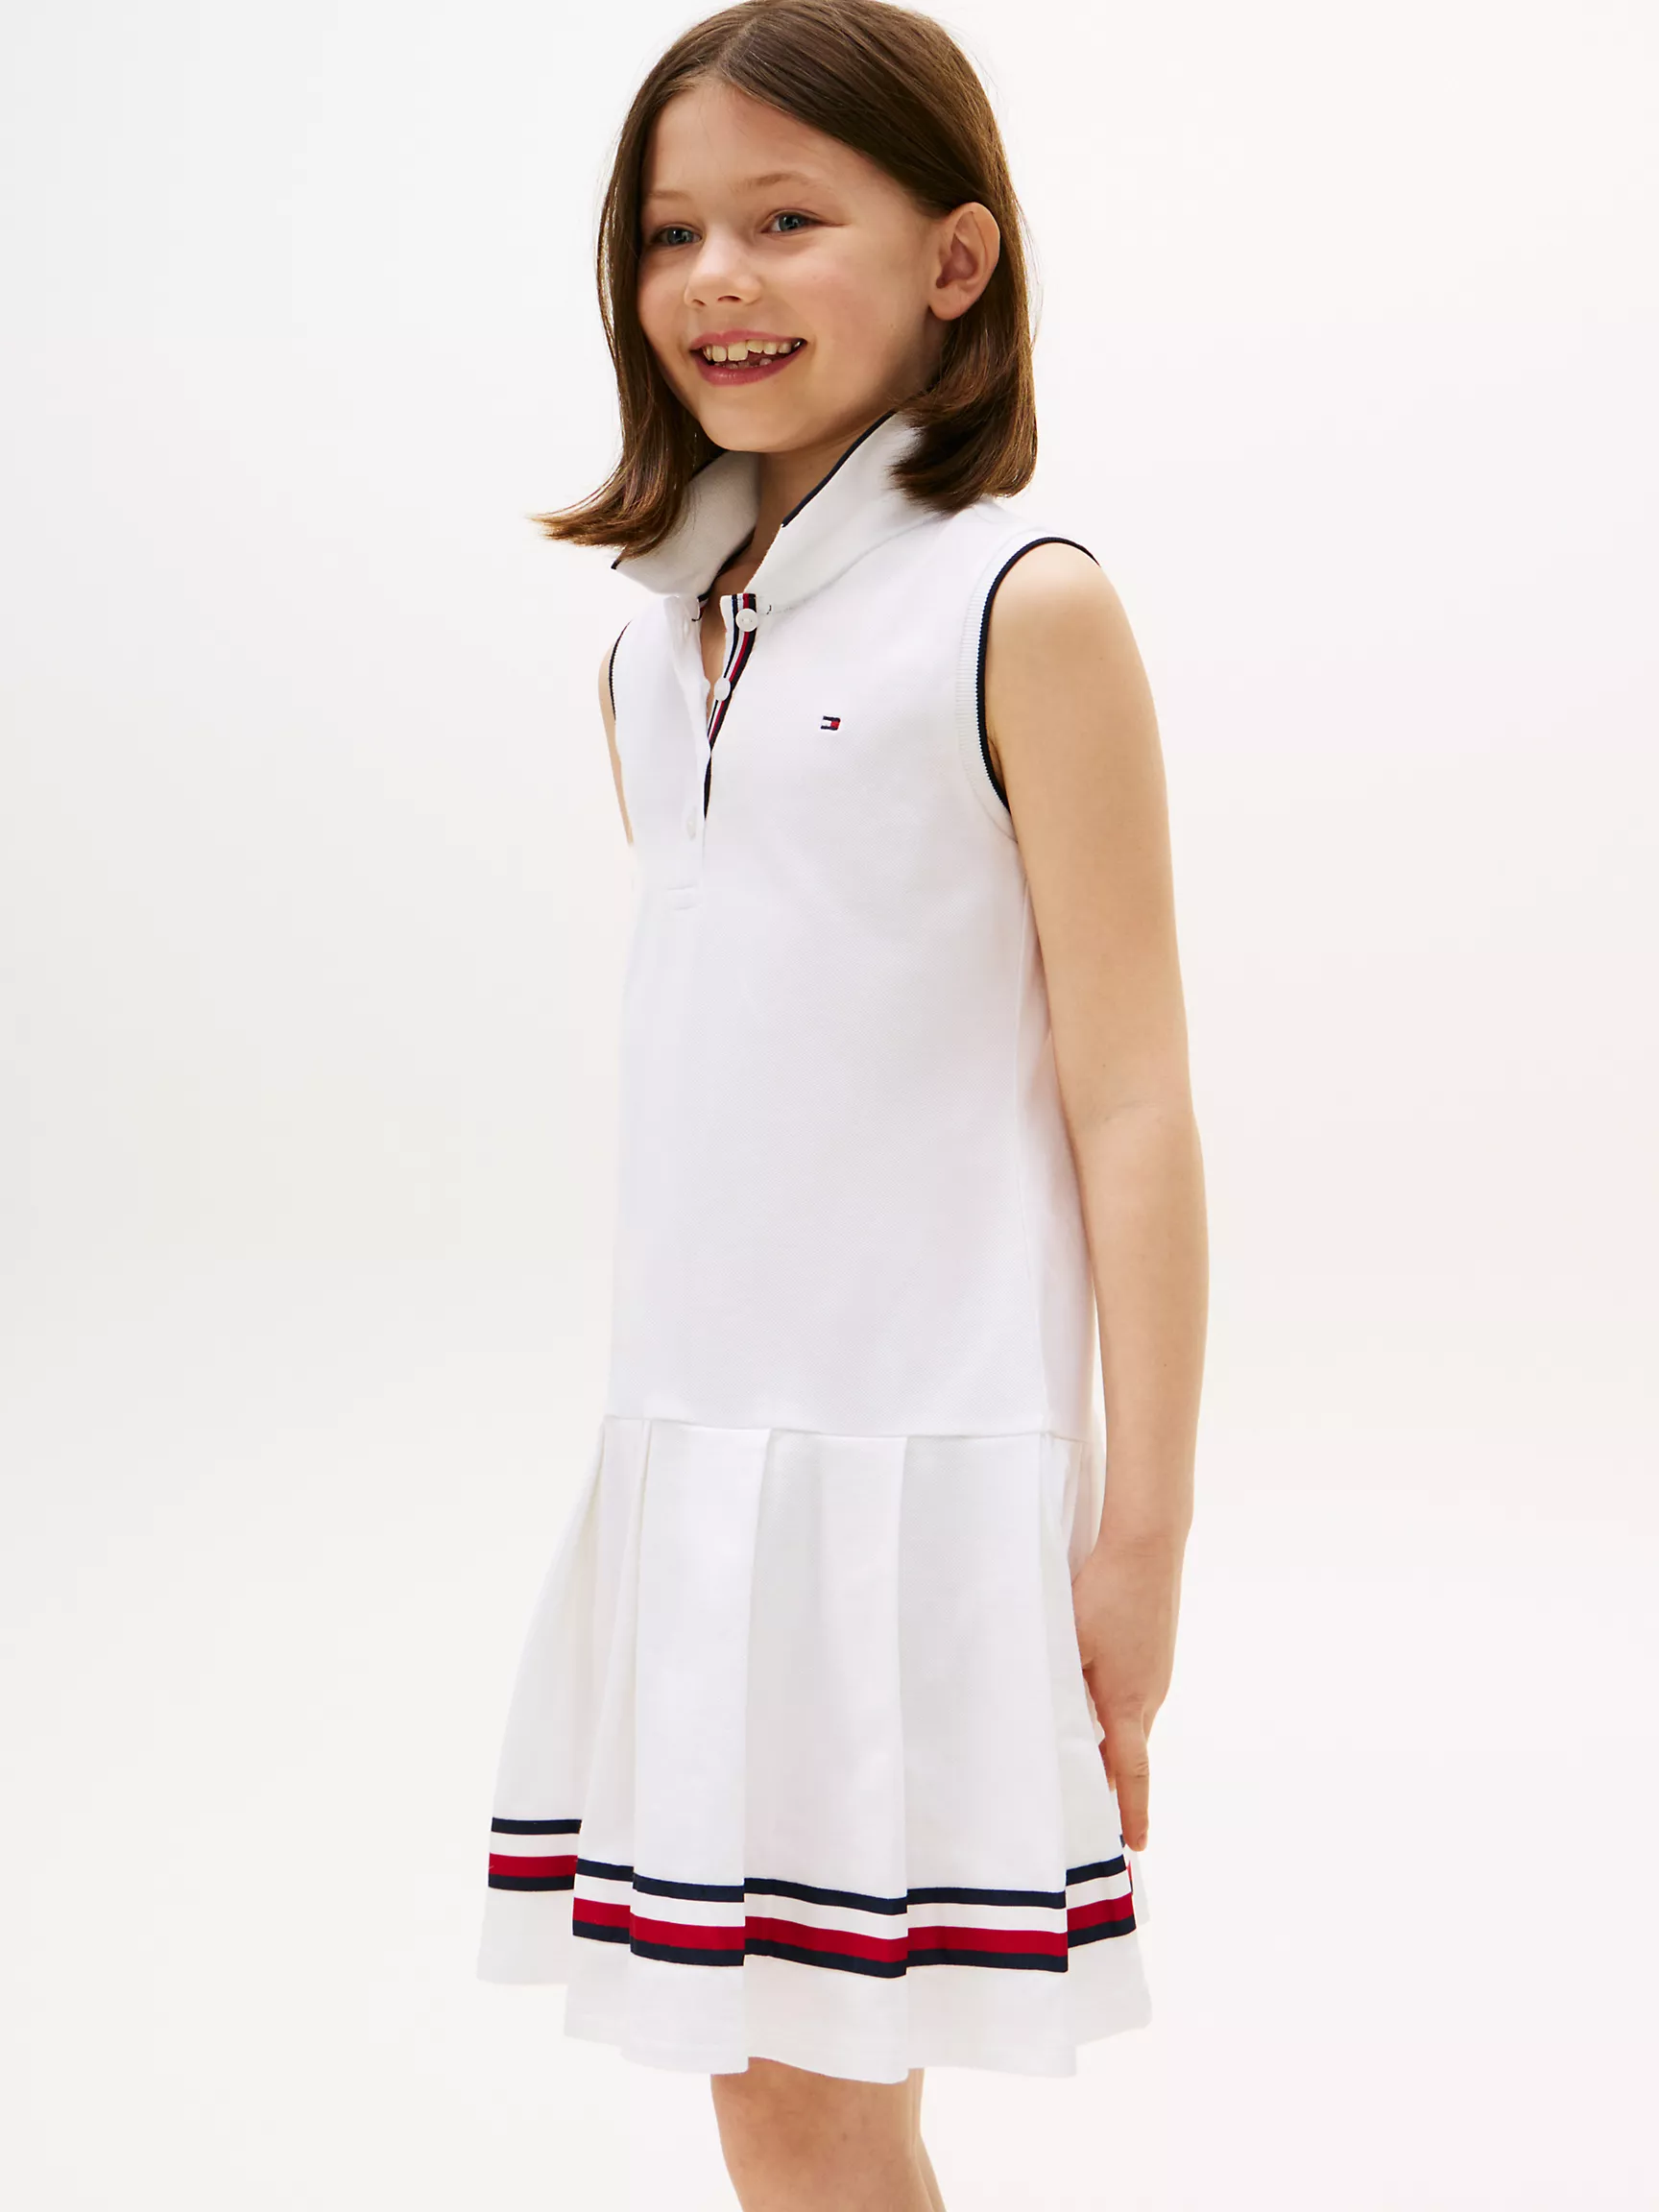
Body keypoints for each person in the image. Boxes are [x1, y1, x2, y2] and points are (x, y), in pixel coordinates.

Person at [476, 3, 1207, 2204]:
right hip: (703, 1473)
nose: (716, 277)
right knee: (773, 2093)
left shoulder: (1020, 607)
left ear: (955, 261)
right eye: (671, 231)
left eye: (788, 221)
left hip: (917, 1483)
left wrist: (1140, 1541)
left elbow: (1136, 1101)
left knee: (805, 2095)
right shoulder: (654, 642)